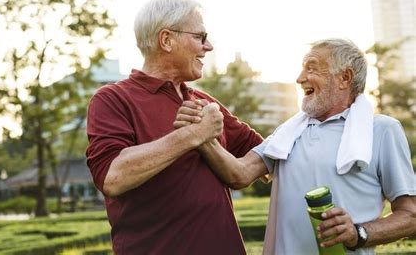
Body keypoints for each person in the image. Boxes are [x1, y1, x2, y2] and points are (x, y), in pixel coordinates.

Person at [175, 38, 416, 254]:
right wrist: (200, 135)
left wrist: (358, 233)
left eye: (311, 68)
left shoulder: (381, 129)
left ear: (345, 78)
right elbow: (239, 174)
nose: (300, 78)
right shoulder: (288, 132)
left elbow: (410, 215)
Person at [85, 0, 263, 254]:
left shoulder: (205, 102)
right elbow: (114, 177)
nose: (208, 46)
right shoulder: (113, 99)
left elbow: (266, 153)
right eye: (200, 37)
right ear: (166, 40)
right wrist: (194, 135)